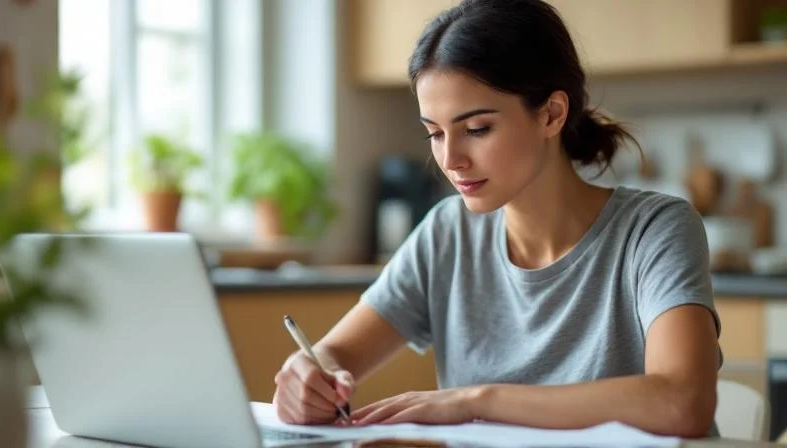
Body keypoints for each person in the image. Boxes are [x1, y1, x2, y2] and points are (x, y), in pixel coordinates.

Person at [273, 0, 721, 438]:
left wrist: (475, 401)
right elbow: (334, 354)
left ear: (551, 114)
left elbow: (682, 402)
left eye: (476, 129)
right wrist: (309, 375)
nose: (450, 159)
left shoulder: (654, 230)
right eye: (434, 133)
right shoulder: (447, 233)